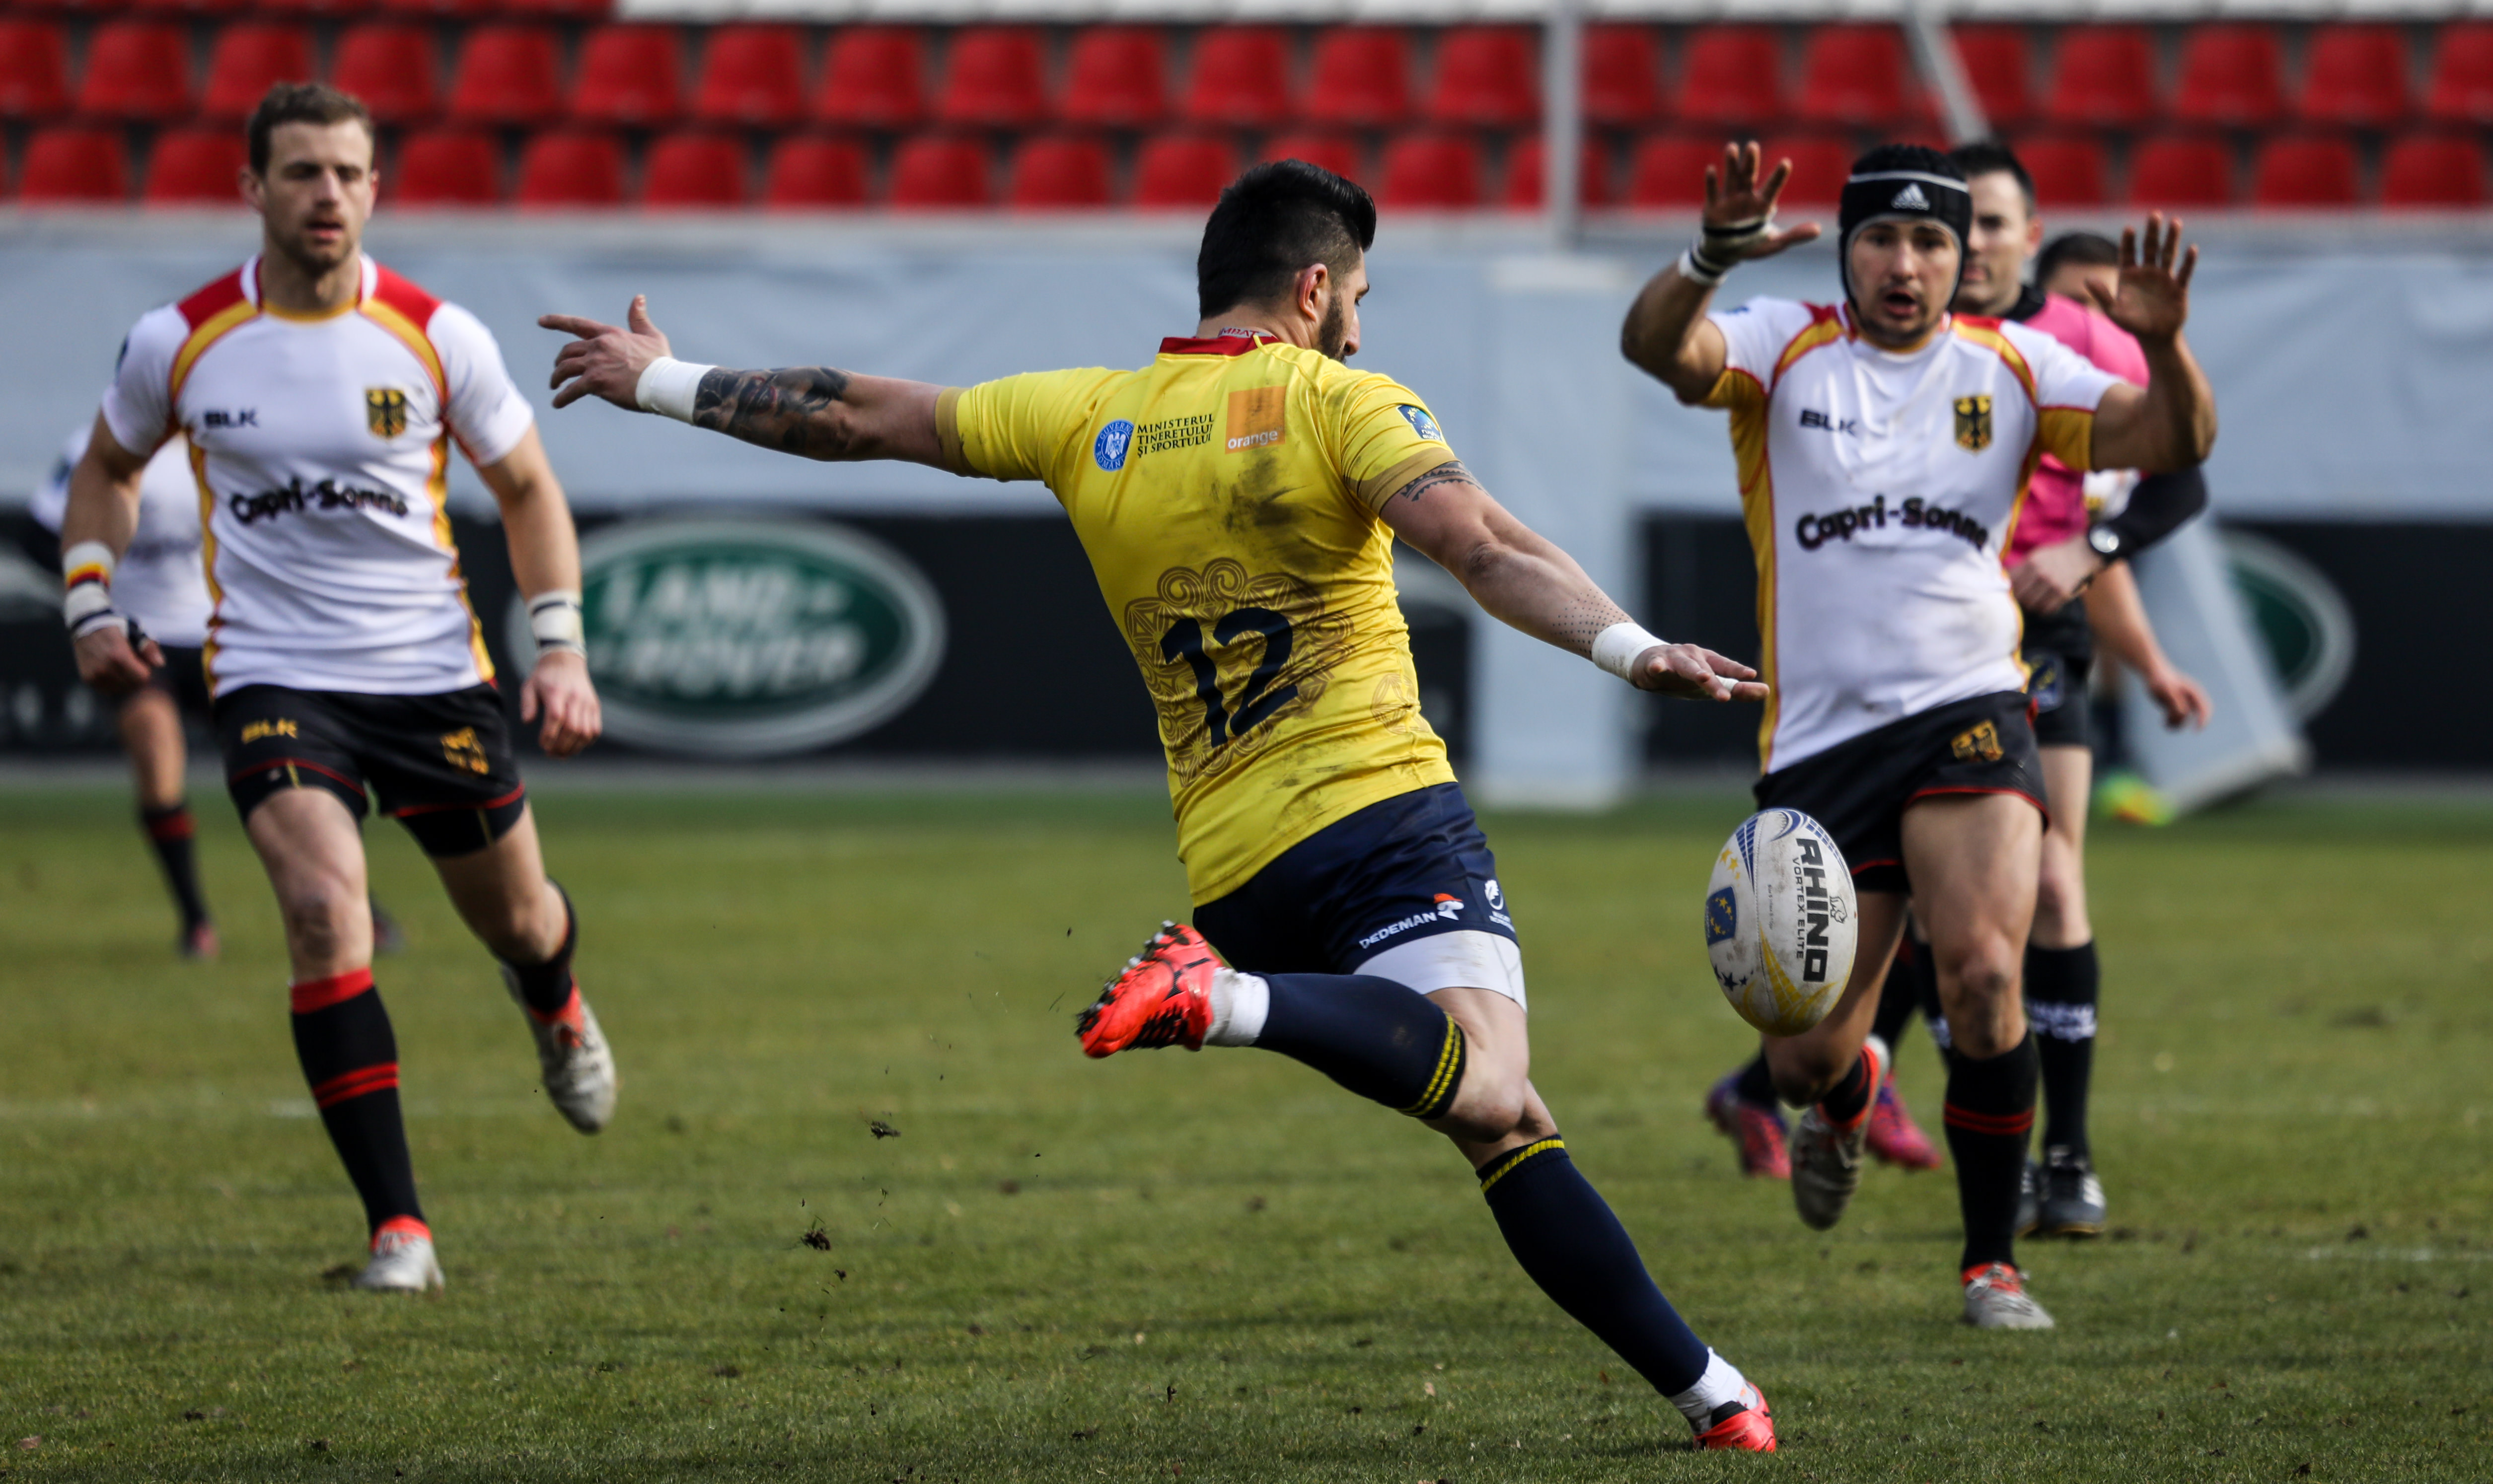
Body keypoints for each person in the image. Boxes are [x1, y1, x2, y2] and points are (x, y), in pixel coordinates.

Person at [544, 160, 1782, 1451]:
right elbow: (1482, 544)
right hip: (1378, 818)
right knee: (1492, 1078)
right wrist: (1630, 646)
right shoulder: (1335, 400)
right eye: (1357, 300)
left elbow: (852, 414)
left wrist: (664, 382)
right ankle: (1221, 1000)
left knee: (1504, 1124)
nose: (1360, 331)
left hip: (1235, 869)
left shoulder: (1087, 413)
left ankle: (1710, 1395)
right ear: (1314, 290)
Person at [1619, 141, 2215, 1328]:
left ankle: (1990, 1264)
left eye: (1932, 241)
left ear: (1963, 256)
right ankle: (1847, 1099)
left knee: (1986, 973)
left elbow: (2172, 443)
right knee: (1801, 1061)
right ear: (1847, 250)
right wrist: (1706, 259)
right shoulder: (1781, 345)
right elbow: (1656, 349)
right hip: (1820, 748)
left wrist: (2162, 345)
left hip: (1969, 711)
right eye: (1883, 239)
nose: (1907, 264)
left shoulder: (2016, 364)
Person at [59, 82, 617, 1294]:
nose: (328, 194)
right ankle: (399, 1233)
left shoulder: (435, 334)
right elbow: (107, 468)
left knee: (520, 922)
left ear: (375, 189)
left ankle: (554, 1003)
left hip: (431, 680)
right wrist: (89, 600)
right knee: (323, 912)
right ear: (251, 188)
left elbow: (528, 489)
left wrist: (562, 649)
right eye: (303, 171)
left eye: (349, 174)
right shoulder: (179, 339)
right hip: (271, 674)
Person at [32, 424, 414, 963]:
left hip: (225, 636)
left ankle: (361, 906)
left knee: (292, 769)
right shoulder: (97, 450)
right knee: (157, 755)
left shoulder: (227, 435)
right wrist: (95, 586)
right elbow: (41, 531)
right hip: (141, 638)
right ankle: (196, 922)